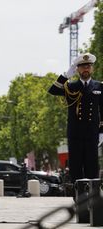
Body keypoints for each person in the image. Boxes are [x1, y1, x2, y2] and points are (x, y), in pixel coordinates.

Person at [48, 53, 102, 184]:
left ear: (92, 69)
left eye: (88, 66)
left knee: (92, 167)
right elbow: (53, 90)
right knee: (76, 167)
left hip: (92, 134)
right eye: (82, 66)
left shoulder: (99, 86)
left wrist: (102, 132)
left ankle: (92, 199)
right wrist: (65, 76)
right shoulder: (70, 86)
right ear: (77, 69)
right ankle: (78, 199)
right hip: (75, 134)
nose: (86, 69)